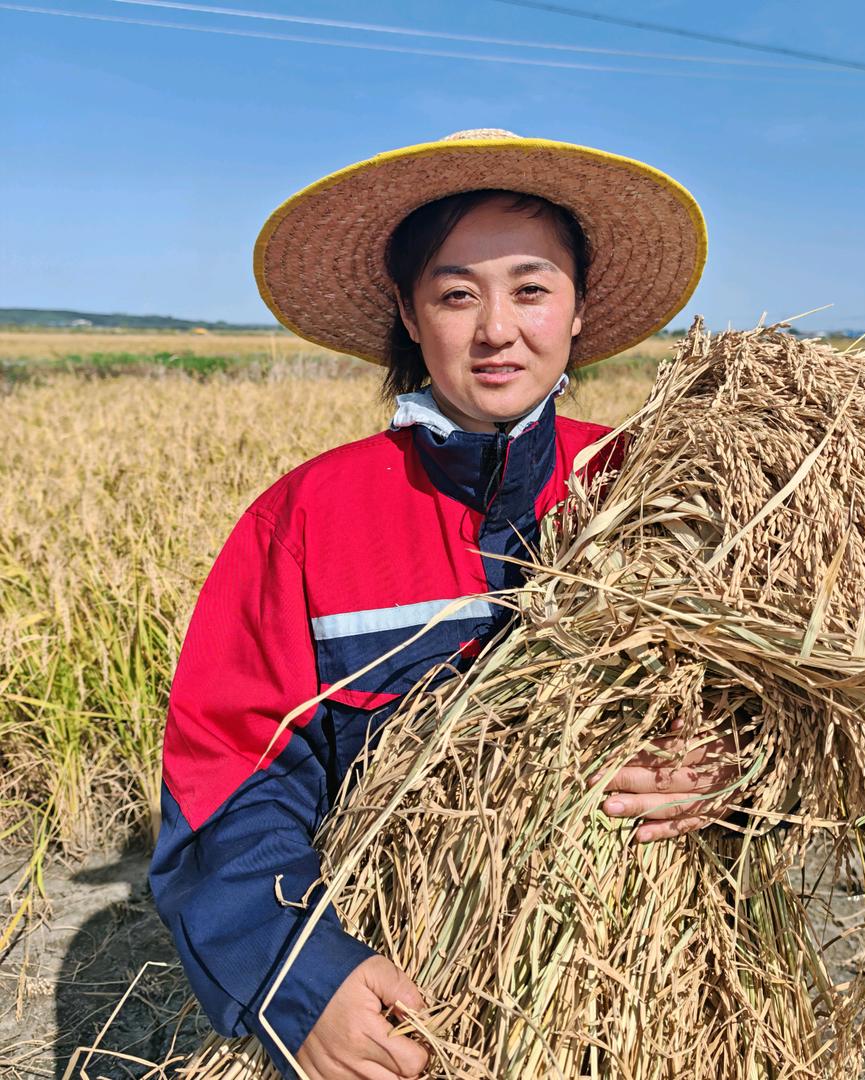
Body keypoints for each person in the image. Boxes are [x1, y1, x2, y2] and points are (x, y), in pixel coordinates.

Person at [149, 129, 719, 1080]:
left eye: (531, 289)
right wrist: (298, 972)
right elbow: (230, 771)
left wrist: (729, 781)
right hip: (397, 995)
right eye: (457, 294)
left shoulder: (655, 488)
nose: (497, 329)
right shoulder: (308, 519)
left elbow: (791, 712)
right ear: (411, 317)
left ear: (578, 309)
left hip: (643, 992)